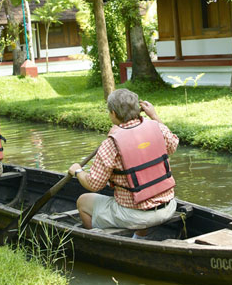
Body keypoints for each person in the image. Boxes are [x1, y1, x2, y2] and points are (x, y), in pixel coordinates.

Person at [68, 89, 179, 239]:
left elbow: (93, 184)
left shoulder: (110, 144)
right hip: (168, 208)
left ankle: (98, 241)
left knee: (83, 202)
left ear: (113, 113)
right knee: (136, 194)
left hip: (136, 216)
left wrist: (77, 171)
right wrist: (154, 116)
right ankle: (139, 239)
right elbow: (173, 144)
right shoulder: (157, 127)